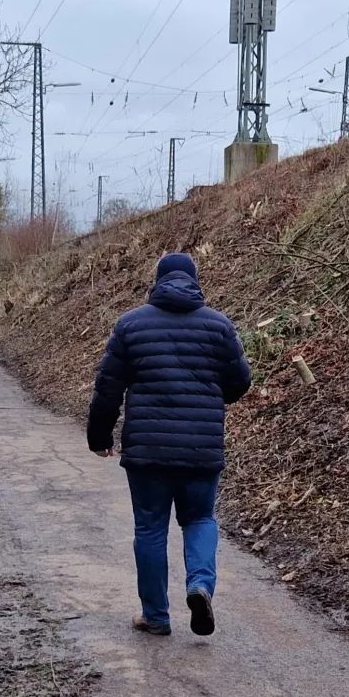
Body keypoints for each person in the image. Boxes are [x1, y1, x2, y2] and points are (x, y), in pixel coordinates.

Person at [87, 253, 251, 636]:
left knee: (150, 529)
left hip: (148, 452)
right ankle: (199, 585)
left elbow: (108, 387)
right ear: (195, 282)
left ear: (157, 281)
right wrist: (210, 393)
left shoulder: (131, 325)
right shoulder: (219, 326)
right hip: (201, 449)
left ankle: (156, 616)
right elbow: (240, 381)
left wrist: (99, 436)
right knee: (200, 519)